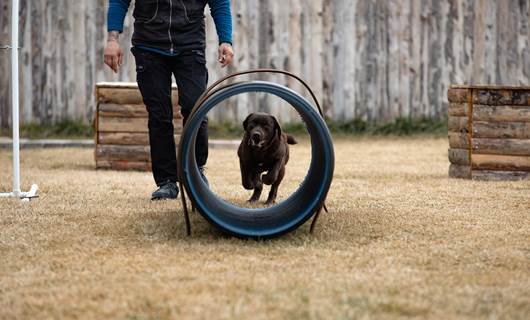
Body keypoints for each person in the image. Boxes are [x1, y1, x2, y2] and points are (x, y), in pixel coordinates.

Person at [104, 0, 234, 200]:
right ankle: (167, 182)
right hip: (149, 46)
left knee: (195, 109)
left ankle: (195, 172)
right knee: (159, 115)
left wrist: (226, 40)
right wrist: (112, 39)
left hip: (190, 45)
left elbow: (220, 3)